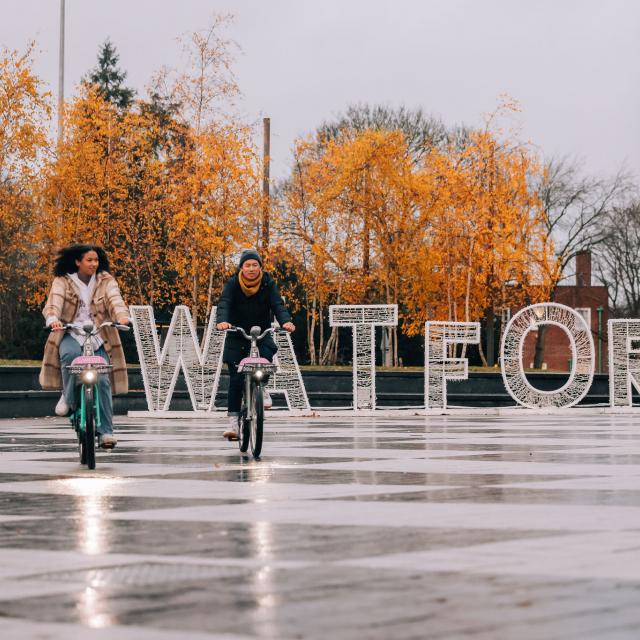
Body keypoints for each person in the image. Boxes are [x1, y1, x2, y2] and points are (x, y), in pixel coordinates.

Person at [39, 244, 130, 449]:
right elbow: (54, 303)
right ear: (77, 262)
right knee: (69, 357)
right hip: (71, 331)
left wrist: (122, 317)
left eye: (96, 260)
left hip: (98, 335)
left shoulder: (105, 280)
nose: (93, 264)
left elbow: (115, 300)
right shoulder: (63, 281)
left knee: (103, 379)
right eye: (89, 260)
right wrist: (53, 319)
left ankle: (106, 432)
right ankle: (69, 398)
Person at [216, 249, 295, 440]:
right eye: (247, 265)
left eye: (254, 265)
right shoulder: (233, 283)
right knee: (235, 379)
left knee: (265, 358)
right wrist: (223, 321)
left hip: (261, 333)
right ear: (241, 268)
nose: (251, 269)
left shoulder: (268, 283)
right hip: (237, 334)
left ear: (260, 267)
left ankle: (262, 388)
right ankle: (234, 424)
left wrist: (285, 321)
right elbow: (224, 303)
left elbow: (278, 305)